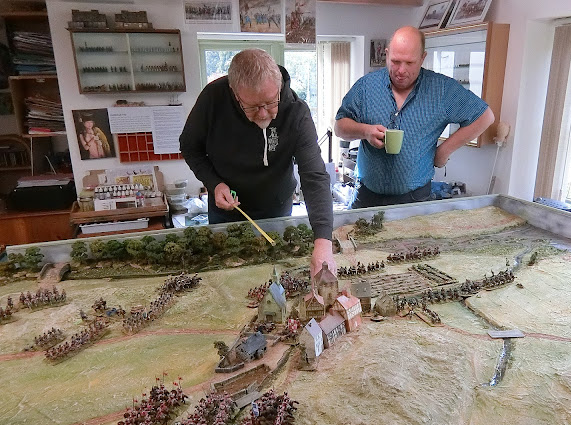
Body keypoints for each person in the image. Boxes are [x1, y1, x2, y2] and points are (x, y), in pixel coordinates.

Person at [179, 48, 335, 277]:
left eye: (270, 103)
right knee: (229, 275)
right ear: (234, 93)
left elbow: (314, 176)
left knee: (275, 273)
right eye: (252, 106)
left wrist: (323, 242)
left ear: (278, 87)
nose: (263, 114)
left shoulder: (296, 111)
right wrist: (214, 184)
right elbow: (190, 147)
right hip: (227, 209)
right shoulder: (212, 99)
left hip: (276, 208)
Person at [334, 26, 495, 209]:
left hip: (415, 199)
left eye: (409, 63)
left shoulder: (442, 89)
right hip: (366, 196)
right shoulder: (366, 86)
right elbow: (340, 127)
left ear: (422, 58)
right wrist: (365, 131)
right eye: (395, 61)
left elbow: (485, 116)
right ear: (387, 54)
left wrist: (443, 151)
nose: (401, 70)